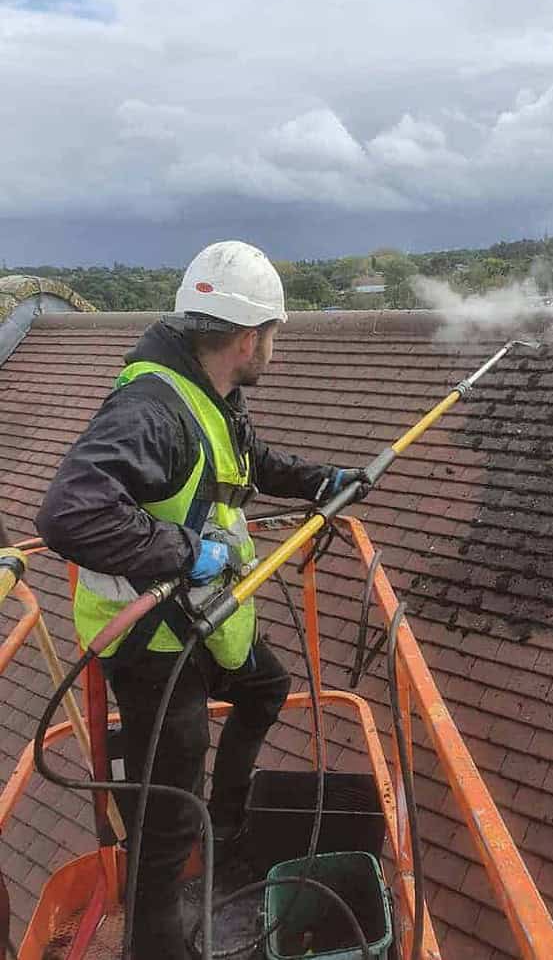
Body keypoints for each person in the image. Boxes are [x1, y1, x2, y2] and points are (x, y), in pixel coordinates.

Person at [36, 241, 369, 958]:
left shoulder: (209, 391)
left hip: (201, 617)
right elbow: (67, 513)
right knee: (168, 811)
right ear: (248, 338)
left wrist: (323, 480)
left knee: (267, 686)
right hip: (151, 641)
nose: (274, 347)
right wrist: (186, 552)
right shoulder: (153, 411)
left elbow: (247, 463)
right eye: (273, 334)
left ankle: (228, 822)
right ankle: (159, 944)